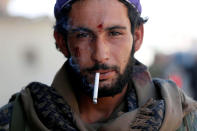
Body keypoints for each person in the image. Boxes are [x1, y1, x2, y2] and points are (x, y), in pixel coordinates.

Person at [1, 0, 197, 130]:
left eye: (114, 34)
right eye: (83, 35)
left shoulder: (184, 119)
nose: (101, 56)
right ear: (62, 42)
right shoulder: (17, 120)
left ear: (137, 37)